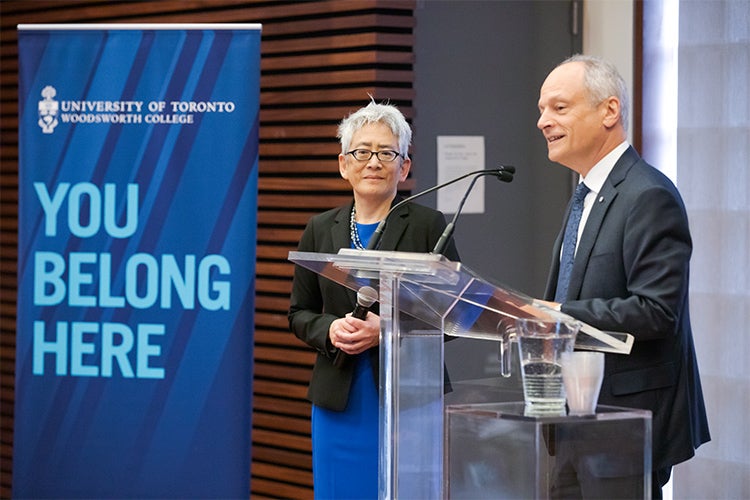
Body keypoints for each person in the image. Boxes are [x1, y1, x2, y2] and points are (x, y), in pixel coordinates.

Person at [536, 54, 710, 498]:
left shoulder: (647, 195)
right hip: (573, 415)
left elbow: (656, 311)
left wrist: (558, 313)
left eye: (558, 107)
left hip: (625, 422)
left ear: (609, 112)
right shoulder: (585, 195)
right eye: (541, 110)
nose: (543, 121)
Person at [288, 100, 459, 499]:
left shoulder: (428, 226)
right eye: (362, 152)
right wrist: (330, 328)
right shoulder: (319, 228)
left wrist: (389, 330)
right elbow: (299, 313)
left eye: (387, 152)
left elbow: (453, 315)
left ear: (404, 167)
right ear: (344, 164)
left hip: (409, 401)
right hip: (338, 402)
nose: (374, 162)